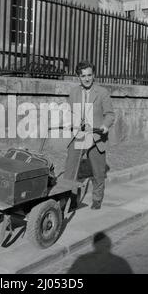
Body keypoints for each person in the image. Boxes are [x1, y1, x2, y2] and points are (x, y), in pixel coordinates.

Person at [64, 60, 115, 210]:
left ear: (94, 75)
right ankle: (71, 200)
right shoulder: (74, 92)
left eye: (89, 75)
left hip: (96, 135)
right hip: (79, 135)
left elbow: (110, 114)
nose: (86, 79)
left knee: (98, 171)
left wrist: (105, 125)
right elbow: (71, 112)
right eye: (83, 76)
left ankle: (97, 198)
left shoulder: (102, 92)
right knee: (70, 171)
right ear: (78, 77)